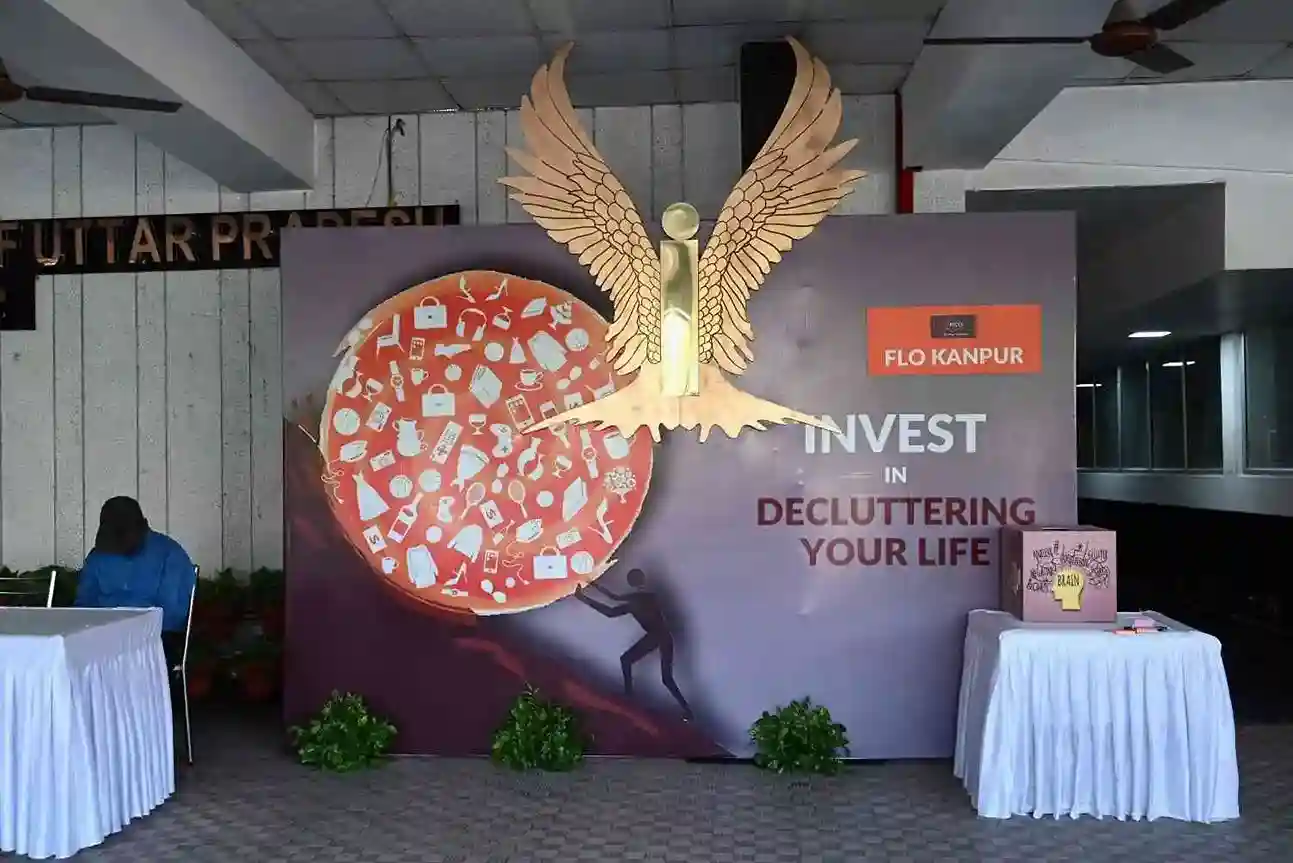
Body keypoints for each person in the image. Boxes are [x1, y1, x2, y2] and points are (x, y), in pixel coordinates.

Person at [75, 496, 197, 669]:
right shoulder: (99, 555)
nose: (117, 545)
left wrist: (128, 632)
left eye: (122, 536)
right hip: (102, 637)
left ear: (143, 527)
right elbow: (84, 603)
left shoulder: (170, 554)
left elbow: (173, 617)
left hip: (154, 640)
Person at [575, 568, 692, 720]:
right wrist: (592, 585)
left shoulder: (636, 601)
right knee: (665, 678)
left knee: (631, 663)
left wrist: (586, 594)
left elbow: (611, 608)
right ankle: (686, 711)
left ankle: (629, 698)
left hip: (658, 636)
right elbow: (614, 598)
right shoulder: (648, 596)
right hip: (663, 636)